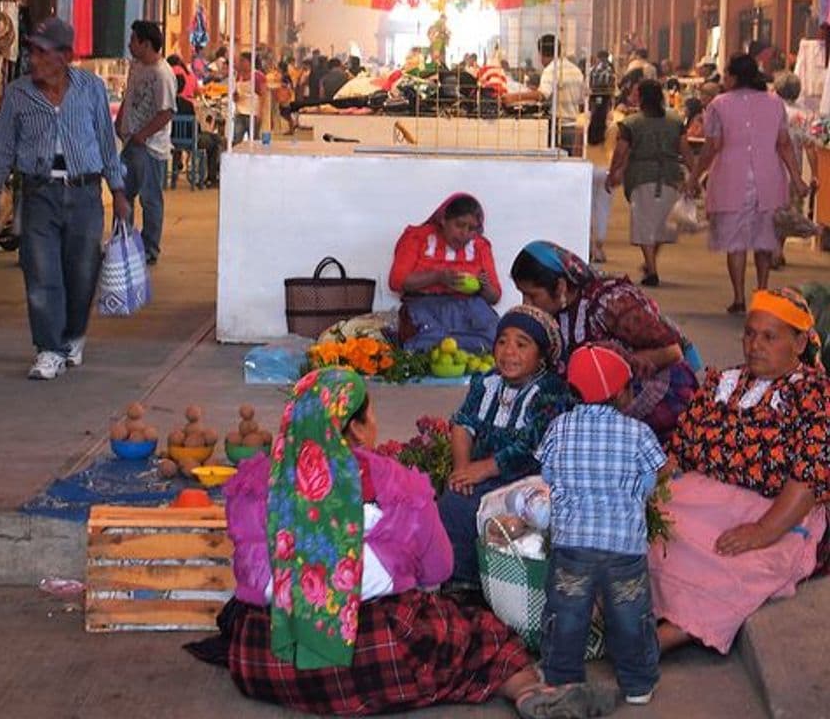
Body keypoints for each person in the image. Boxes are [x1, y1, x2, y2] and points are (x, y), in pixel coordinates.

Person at [191, 367, 542, 713]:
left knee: (243, 614)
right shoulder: (395, 483)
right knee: (480, 632)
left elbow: (248, 578)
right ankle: (527, 691)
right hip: (376, 652)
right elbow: (438, 569)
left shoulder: (253, 482)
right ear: (356, 429)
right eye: (371, 414)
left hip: (266, 658)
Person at [650, 288, 829, 655]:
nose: (754, 345)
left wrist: (763, 531)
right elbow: (680, 450)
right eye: (749, 333)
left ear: (798, 344)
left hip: (775, 509)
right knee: (649, 533)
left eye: (769, 337)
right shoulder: (723, 383)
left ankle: (664, 638)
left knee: (737, 564)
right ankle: (637, 617)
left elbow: (809, 476)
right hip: (701, 497)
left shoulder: (815, 395)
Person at [517, 345, 665, 717]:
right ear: (618, 393)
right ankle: (637, 684)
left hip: (572, 546)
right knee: (630, 616)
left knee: (567, 613)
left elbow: (548, 477)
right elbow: (648, 482)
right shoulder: (639, 433)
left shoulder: (560, 427)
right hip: (624, 548)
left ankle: (562, 677)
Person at [0, 17, 129, 379]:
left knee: (81, 273)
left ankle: (72, 335)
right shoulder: (18, 94)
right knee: (40, 273)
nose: (33, 59)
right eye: (32, 51)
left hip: (84, 193)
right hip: (38, 194)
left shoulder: (91, 89)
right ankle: (48, 348)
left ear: (65, 56)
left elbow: (105, 141)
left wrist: (119, 191)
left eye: (42, 52)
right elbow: (0, 152)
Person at [437, 305, 573, 587]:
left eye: (521, 344)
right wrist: (463, 469)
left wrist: (485, 469)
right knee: (453, 502)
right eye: (502, 341)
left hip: (526, 477)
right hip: (481, 471)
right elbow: (463, 423)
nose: (509, 351)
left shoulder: (548, 391)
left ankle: (499, 584)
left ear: (542, 357)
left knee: (502, 516)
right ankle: (463, 582)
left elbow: (531, 445)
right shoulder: (487, 382)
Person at [510, 241, 699, 442]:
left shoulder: (611, 302)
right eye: (523, 295)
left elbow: (671, 352)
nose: (526, 303)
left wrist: (607, 370)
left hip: (657, 389)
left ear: (560, 286)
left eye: (531, 295)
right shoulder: (555, 311)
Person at [685, 53, 809, 314]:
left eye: (727, 75)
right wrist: (797, 178)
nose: (725, 79)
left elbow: (712, 147)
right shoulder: (775, 103)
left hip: (731, 178)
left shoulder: (719, 104)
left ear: (734, 76)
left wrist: (695, 176)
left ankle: (739, 297)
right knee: (764, 239)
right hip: (769, 177)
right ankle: (762, 292)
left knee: (736, 241)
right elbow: (784, 143)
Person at [605, 79, 695, 287]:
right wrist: (694, 175)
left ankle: (652, 269)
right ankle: (651, 262)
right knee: (665, 224)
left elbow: (621, 152)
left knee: (644, 223)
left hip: (641, 177)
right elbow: (686, 150)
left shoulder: (631, 123)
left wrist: (613, 172)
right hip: (671, 176)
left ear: (641, 97)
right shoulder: (675, 121)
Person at [388, 193, 502, 354]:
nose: (465, 233)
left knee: (495, 337)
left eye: (471, 229)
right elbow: (396, 281)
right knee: (427, 340)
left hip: (470, 307)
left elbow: (495, 297)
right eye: (459, 225)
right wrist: (438, 277)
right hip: (424, 305)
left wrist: (485, 286)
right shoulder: (417, 237)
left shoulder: (480, 245)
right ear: (443, 220)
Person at [116, 20, 177, 266]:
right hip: (131, 141)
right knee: (123, 193)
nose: (130, 45)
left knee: (150, 198)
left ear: (146, 43)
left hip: (150, 147)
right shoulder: (136, 66)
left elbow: (167, 112)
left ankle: (150, 248)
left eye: (133, 40)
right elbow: (128, 97)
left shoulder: (162, 74)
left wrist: (142, 135)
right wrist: (120, 121)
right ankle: (122, 243)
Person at [504, 34, 585, 154]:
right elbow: (581, 102)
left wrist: (513, 97)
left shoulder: (551, 69)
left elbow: (541, 95)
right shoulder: (575, 70)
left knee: (553, 164)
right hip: (573, 127)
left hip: (557, 128)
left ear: (541, 53)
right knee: (567, 164)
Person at [771, 71, 820, 267]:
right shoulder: (804, 115)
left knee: (771, 211)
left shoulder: (769, 110)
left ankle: (771, 250)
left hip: (770, 166)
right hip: (794, 169)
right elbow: (810, 146)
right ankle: (778, 249)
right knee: (787, 210)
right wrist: (815, 173)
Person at [174, 74, 221, 186]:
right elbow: (195, 126)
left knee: (213, 138)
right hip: (191, 139)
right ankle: (211, 176)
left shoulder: (167, 103)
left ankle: (210, 176)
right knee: (215, 141)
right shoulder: (187, 105)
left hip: (173, 139)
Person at [232, 52, 267, 145]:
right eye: (240, 61)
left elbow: (263, 96)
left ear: (249, 62)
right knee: (236, 139)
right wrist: (235, 96)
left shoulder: (258, 76)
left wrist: (260, 112)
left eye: (243, 60)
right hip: (239, 112)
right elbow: (237, 94)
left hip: (253, 113)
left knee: (254, 140)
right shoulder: (238, 76)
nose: (240, 63)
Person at [587, 50, 615, 147]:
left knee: (595, 114)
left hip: (595, 95)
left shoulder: (593, 68)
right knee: (602, 115)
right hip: (605, 95)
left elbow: (589, 82)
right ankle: (599, 137)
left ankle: (593, 137)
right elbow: (612, 84)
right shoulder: (610, 68)